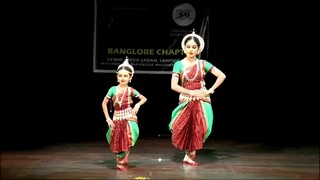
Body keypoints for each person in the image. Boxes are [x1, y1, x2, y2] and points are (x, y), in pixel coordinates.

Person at [168, 29, 226, 166]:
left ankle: (190, 156)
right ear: (184, 48)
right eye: (188, 47)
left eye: (194, 47)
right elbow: (173, 86)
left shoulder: (203, 64)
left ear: (198, 49)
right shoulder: (179, 64)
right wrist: (191, 93)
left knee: (200, 127)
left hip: (201, 100)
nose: (191, 49)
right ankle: (187, 155)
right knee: (184, 127)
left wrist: (209, 91)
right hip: (186, 100)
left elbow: (222, 75)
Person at [102, 57, 147, 171]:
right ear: (117, 76)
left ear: (130, 77)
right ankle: (120, 162)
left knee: (129, 137)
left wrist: (137, 105)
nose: (123, 78)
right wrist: (108, 119)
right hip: (117, 118)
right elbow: (104, 104)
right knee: (119, 139)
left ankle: (123, 161)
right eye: (120, 75)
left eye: (125, 76)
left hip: (129, 117)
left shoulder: (131, 90)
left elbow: (143, 98)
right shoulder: (113, 89)